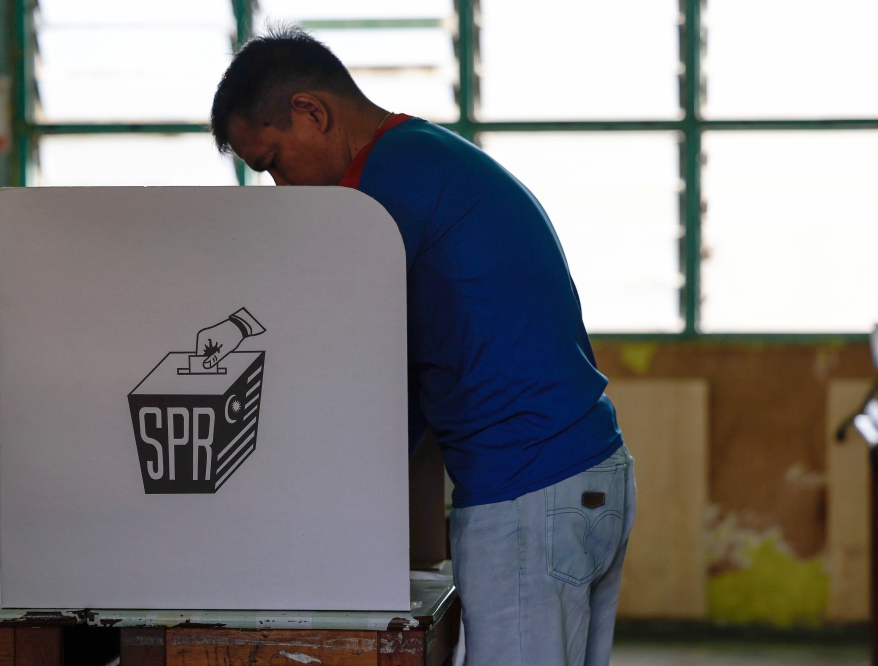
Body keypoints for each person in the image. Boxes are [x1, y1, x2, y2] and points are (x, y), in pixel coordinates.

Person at [210, 27, 636, 666]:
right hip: (583, 476)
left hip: (526, 489)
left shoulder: (384, 189)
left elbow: (339, 351)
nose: (280, 188)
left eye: (273, 162)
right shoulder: (425, 157)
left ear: (312, 113)